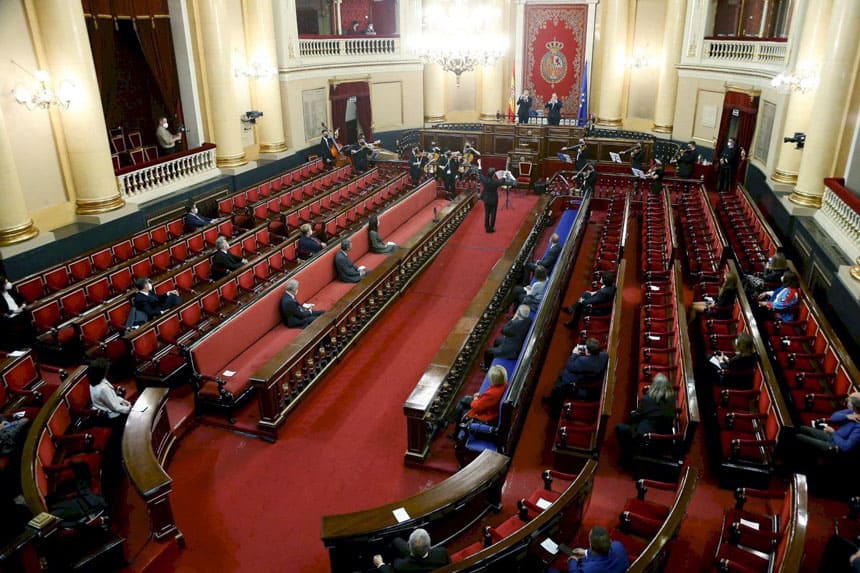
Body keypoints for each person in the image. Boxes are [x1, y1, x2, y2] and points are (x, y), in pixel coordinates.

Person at [615, 373, 676, 464]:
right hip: (664, 443)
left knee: (620, 427)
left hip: (647, 441)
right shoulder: (672, 401)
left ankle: (627, 456)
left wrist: (634, 413)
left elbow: (634, 418)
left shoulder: (647, 399)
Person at [547, 337, 609, 413]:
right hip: (591, 376)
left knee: (559, 385)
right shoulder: (604, 356)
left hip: (580, 381)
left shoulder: (583, 361)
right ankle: (553, 399)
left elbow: (569, 366)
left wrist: (574, 354)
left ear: (588, 351)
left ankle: (554, 408)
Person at [795, 392, 860, 456]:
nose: (847, 401)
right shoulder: (852, 412)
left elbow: (846, 447)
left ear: (855, 406)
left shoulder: (858, 427)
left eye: (849, 400)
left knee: (799, 437)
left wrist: (833, 433)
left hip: (835, 447)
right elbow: (833, 417)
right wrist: (846, 416)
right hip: (832, 437)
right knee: (802, 428)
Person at [446, 364, 508, 430]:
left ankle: (456, 431)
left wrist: (475, 398)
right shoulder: (504, 384)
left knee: (461, 408)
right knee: (464, 399)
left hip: (489, 415)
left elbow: (476, 407)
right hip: (490, 406)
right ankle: (451, 419)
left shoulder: (492, 394)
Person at [372, 528, 451, 572]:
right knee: (397, 541)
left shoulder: (400, 565)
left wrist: (380, 564)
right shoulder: (441, 552)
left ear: (408, 545)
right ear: (429, 545)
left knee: (396, 540)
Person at [481, 305, 532, 370]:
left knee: (488, 352)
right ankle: (495, 355)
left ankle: (486, 367)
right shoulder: (529, 320)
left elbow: (503, 330)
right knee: (497, 340)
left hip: (511, 350)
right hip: (516, 340)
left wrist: (513, 319)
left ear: (518, 313)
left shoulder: (514, 325)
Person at [0, 276, 35, 349]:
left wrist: (23, 305)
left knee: (27, 318)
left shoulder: (11, 291)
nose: (9, 284)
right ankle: (24, 346)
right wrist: (14, 311)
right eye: (6, 283)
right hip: (10, 318)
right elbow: (2, 311)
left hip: (21, 312)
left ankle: (32, 342)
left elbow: (22, 298)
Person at [479, 167, 502, 233]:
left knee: (487, 214)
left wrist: (480, 165)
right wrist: (504, 175)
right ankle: (491, 228)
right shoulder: (496, 182)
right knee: (493, 214)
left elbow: (480, 174)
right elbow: (502, 182)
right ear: (494, 174)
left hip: (486, 199)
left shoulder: (485, 180)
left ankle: (487, 227)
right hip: (494, 200)